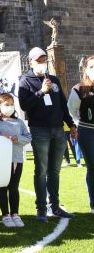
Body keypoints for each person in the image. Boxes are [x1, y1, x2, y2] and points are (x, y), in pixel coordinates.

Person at [18, 47, 77, 222]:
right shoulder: (25, 81)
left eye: (44, 60)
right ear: (30, 62)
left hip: (58, 130)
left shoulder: (54, 80)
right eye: (38, 61)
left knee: (55, 171)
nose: (42, 63)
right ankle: (41, 209)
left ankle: (56, 207)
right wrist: (41, 92)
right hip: (40, 130)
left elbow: (62, 105)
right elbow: (24, 105)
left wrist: (71, 124)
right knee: (41, 170)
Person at [0, 93, 32, 227]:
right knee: (3, 187)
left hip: (17, 159)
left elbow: (28, 137)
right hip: (1, 161)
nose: (9, 107)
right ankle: (5, 215)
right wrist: (0, 137)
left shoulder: (19, 122)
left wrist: (18, 139)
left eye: (12, 104)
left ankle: (15, 214)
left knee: (14, 187)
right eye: (6, 104)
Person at [68, 55, 94, 213]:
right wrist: (78, 124)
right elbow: (71, 110)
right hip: (88, 131)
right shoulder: (79, 89)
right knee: (93, 168)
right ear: (86, 70)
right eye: (91, 67)